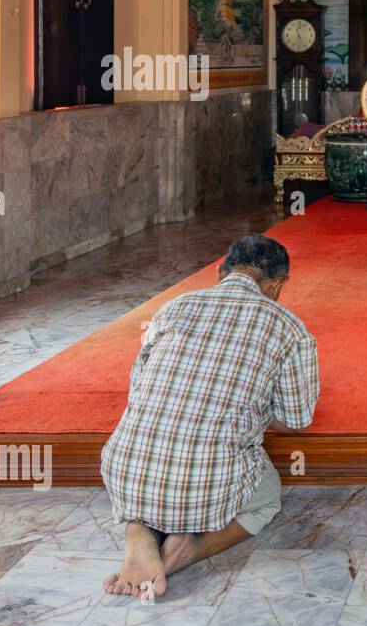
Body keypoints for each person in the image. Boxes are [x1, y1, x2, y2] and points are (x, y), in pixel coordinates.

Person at [101, 234, 318, 599]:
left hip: (124, 470)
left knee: (153, 469)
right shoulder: (289, 327)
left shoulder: (174, 307)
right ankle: (191, 548)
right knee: (266, 498)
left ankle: (138, 528)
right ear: (278, 286)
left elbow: (139, 387)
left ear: (220, 272)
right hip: (209, 482)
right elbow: (296, 420)